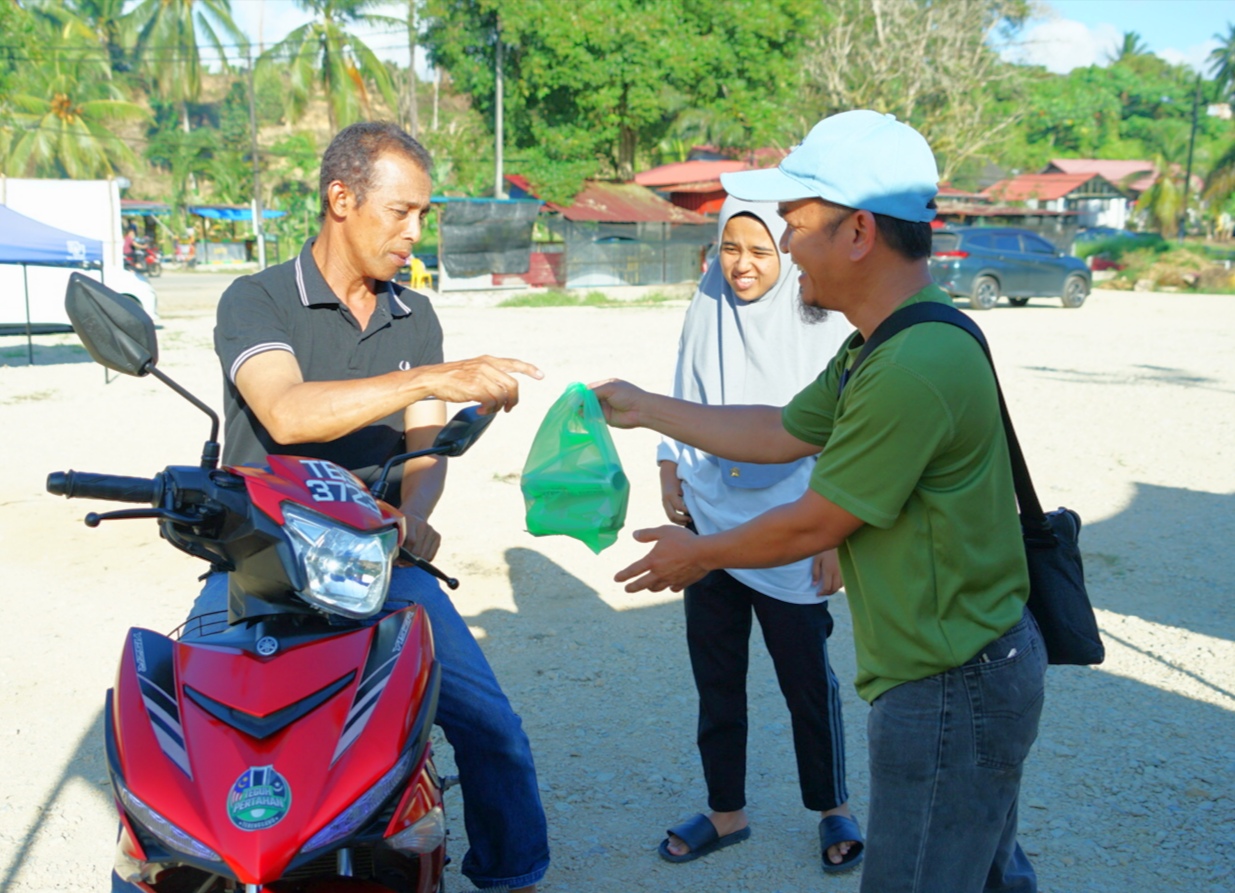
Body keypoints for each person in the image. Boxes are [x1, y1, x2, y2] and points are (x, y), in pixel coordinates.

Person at [592, 110, 1047, 893]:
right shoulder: (879, 342)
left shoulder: (911, 363)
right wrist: (645, 407)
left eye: (796, 224)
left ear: (858, 233)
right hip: (960, 669)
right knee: (988, 875)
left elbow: (817, 520)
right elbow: (778, 430)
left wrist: (697, 553)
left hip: (951, 686)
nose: (786, 242)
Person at [199, 121, 550, 892]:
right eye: (401, 212)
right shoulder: (256, 299)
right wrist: (429, 380)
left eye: (423, 214)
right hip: (263, 558)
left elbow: (425, 451)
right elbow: (285, 412)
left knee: (492, 728)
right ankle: (201, 866)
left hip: (378, 557)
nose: (413, 232)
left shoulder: (413, 316)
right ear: (340, 199)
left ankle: (512, 871)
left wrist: (415, 511)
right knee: (195, 719)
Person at [655, 196, 862, 873]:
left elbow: (844, 425)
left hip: (793, 522)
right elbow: (681, 382)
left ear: (785, 250)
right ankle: (725, 809)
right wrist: (667, 465)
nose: (740, 265)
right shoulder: (707, 296)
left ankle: (831, 803)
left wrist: (830, 532)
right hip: (710, 514)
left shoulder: (821, 313)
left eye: (760, 250)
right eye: (730, 248)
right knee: (716, 674)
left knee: (806, 678)